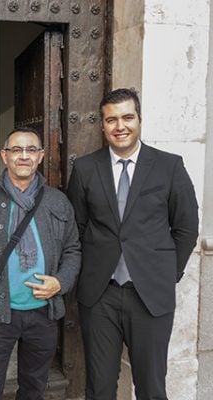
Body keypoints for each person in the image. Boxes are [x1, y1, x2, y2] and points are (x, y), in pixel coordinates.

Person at [67, 88, 199, 400]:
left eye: (127, 117)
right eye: (111, 120)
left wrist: (166, 275)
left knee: (152, 388)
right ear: (102, 125)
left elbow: (186, 228)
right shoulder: (85, 169)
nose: (120, 126)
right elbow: (76, 230)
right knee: (99, 389)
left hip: (150, 295)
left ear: (139, 119)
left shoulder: (169, 166)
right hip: (100, 296)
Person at [0, 127, 81, 400]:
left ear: (40, 156)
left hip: (43, 314)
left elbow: (73, 250)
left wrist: (61, 282)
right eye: (16, 150)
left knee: (34, 389)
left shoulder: (58, 202)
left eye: (31, 150)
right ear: (5, 156)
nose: (24, 156)